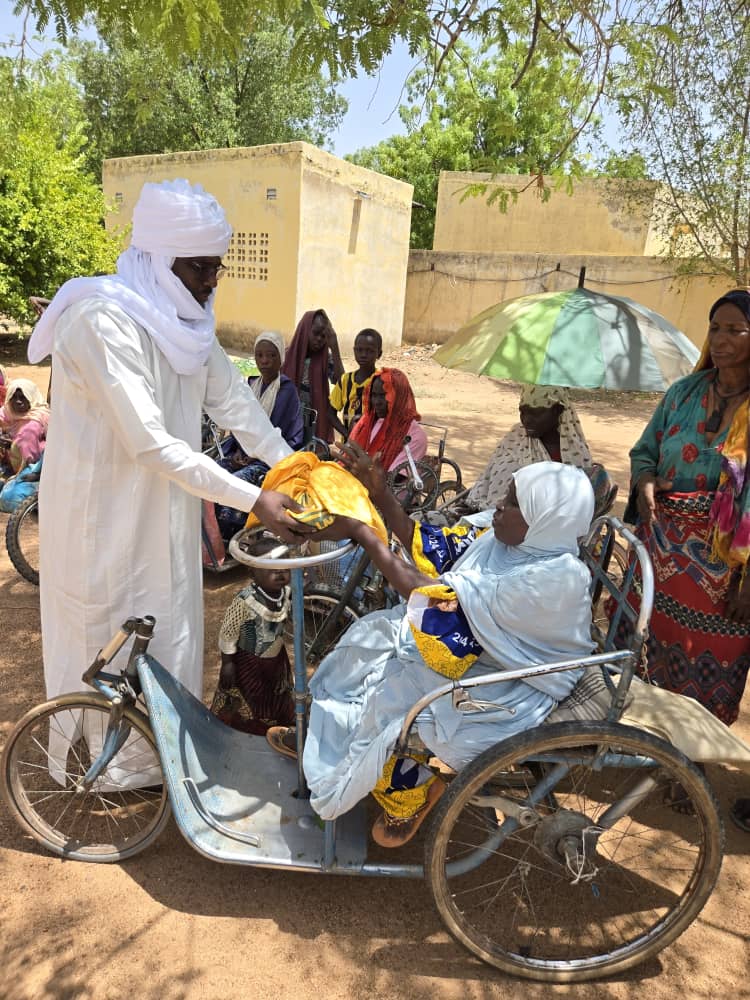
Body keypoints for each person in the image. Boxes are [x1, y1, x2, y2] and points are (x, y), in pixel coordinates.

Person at [26, 178, 313, 709]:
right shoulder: (102, 321)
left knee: (170, 623)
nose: (210, 282)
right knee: (107, 629)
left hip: (168, 508)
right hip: (104, 517)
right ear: (158, 261)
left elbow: (235, 404)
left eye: (215, 268)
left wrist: (296, 466)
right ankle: (105, 764)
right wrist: (255, 499)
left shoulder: (188, 323)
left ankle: (161, 750)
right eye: (198, 268)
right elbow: (151, 445)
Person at [268, 457, 595, 847]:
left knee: (395, 700)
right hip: (478, 650)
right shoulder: (506, 540)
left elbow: (437, 600)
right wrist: (381, 494)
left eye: (514, 502)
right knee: (365, 642)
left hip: (509, 683)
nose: (500, 506)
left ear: (546, 520)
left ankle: (408, 792)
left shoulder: (555, 581)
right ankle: (322, 740)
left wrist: (365, 533)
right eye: (506, 495)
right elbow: (435, 551)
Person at [621, 289, 750, 831]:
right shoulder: (683, 392)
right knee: (657, 658)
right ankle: (658, 756)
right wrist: (646, 480)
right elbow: (645, 448)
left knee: (711, 667)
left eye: (734, 331)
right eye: (714, 328)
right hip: (664, 556)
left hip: (726, 572)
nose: (719, 341)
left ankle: (693, 767)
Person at [214, 330, 303, 541]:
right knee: (213, 472)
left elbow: (280, 435)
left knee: (236, 482)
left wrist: (255, 455)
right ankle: (213, 533)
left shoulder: (286, 390)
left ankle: (234, 534)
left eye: (271, 355)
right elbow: (240, 423)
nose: (265, 361)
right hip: (244, 453)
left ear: (281, 358)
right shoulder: (250, 385)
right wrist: (237, 451)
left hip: (270, 460)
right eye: (260, 355)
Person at [210, 533, 295, 735]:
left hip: (276, 662)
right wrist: (228, 663)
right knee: (252, 698)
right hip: (250, 664)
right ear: (253, 572)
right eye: (271, 569)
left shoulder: (286, 593)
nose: (280, 574)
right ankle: (252, 731)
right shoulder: (245, 601)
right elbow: (228, 632)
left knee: (277, 693)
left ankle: (277, 726)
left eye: (284, 568)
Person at [464, 384, 593, 511]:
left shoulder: (574, 454)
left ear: (557, 410)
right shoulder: (516, 436)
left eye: (536, 413)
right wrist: (474, 507)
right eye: (522, 412)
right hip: (494, 514)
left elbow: (573, 505)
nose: (526, 420)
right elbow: (489, 476)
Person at [282, 309, 344, 445]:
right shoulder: (286, 357)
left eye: (323, 336)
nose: (319, 340)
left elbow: (342, 384)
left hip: (314, 422)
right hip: (289, 420)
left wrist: (334, 347)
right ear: (305, 331)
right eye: (316, 334)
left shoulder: (325, 359)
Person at [348, 368, 427, 472]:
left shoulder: (415, 436)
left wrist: (368, 468)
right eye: (374, 395)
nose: (376, 402)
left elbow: (394, 480)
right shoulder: (368, 422)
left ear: (399, 397)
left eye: (384, 396)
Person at [328, 327, 383, 438]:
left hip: (373, 443)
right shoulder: (345, 380)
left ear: (379, 354)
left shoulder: (381, 380)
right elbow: (330, 413)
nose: (363, 355)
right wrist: (347, 434)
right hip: (349, 445)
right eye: (359, 350)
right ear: (354, 351)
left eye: (369, 351)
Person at [0, 378, 49, 478]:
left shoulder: (35, 422)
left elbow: (29, 460)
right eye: (14, 397)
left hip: (31, 470)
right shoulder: (5, 413)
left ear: (32, 398)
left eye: (23, 397)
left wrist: (13, 446)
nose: (18, 401)